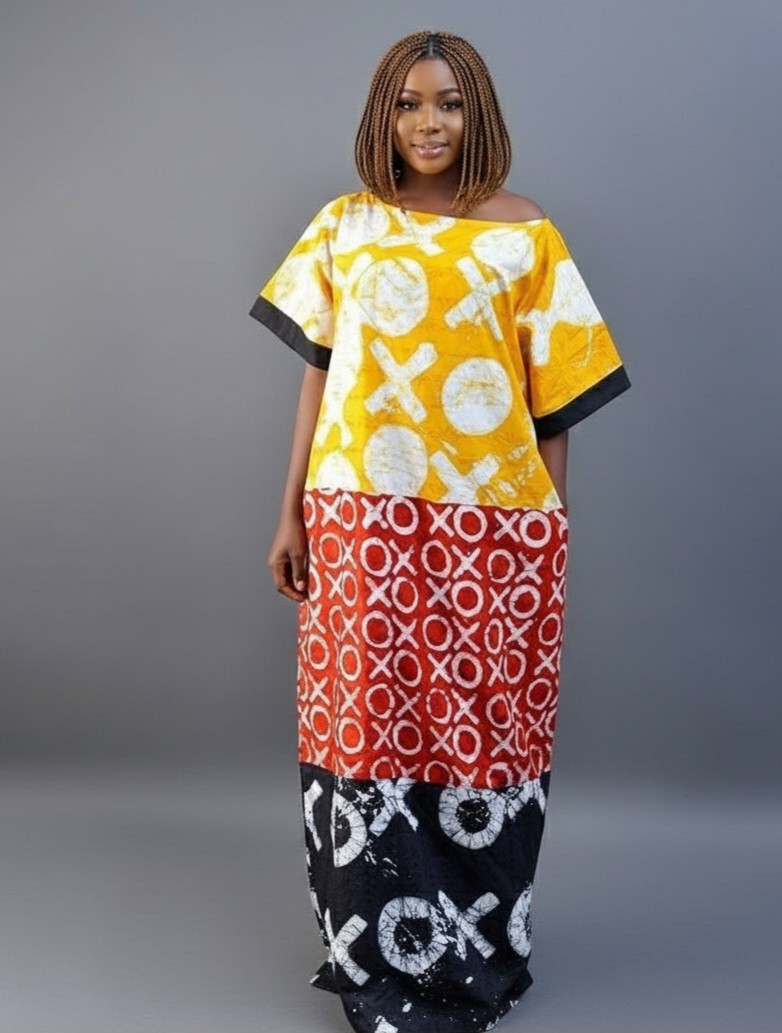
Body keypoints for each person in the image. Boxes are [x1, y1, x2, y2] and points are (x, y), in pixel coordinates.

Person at [248, 28, 631, 1033]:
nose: (429, 123)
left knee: (483, 728)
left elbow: (552, 402)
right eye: (410, 103)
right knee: (365, 720)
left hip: (489, 527)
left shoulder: (526, 236)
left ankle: (474, 956)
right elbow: (319, 377)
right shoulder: (345, 226)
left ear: (478, 115)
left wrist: (548, 526)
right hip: (360, 518)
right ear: (383, 115)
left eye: (450, 104)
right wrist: (289, 509)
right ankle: (374, 961)